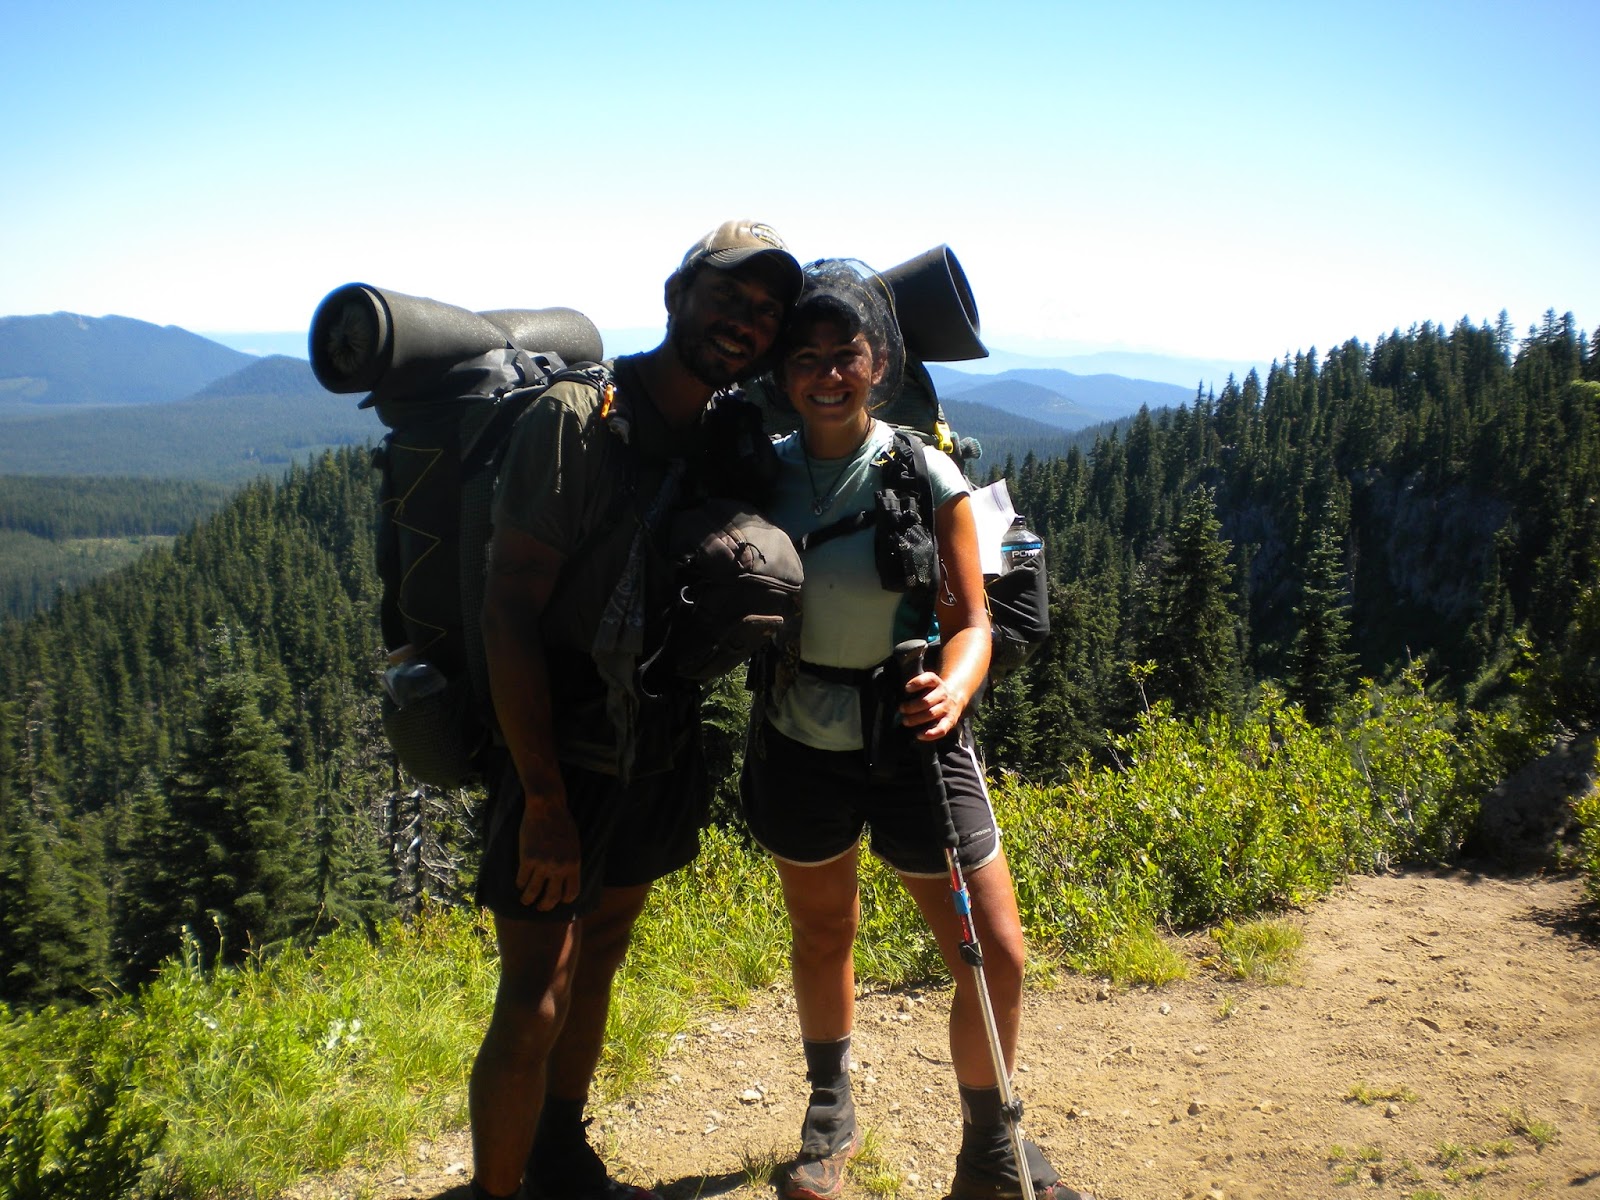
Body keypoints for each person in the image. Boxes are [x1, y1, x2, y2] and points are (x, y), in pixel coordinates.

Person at [742, 259, 1094, 1200]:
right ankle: (830, 1110)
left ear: (880, 361)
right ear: (784, 373)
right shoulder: (755, 476)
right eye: (807, 356)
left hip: (915, 740)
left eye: (845, 354)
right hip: (801, 741)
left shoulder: (922, 469)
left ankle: (991, 1149)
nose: (827, 373)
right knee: (824, 933)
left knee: (999, 955)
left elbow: (976, 620)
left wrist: (955, 687)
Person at [470, 221, 803, 1200]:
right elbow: (507, 607)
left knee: (603, 957)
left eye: (763, 312)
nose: (742, 323)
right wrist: (540, 799)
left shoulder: (724, 434)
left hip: (656, 745)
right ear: (676, 293)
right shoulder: (580, 421)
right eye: (726, 297)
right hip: (561, 750)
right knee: (536, 997)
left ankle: (560, 1157)